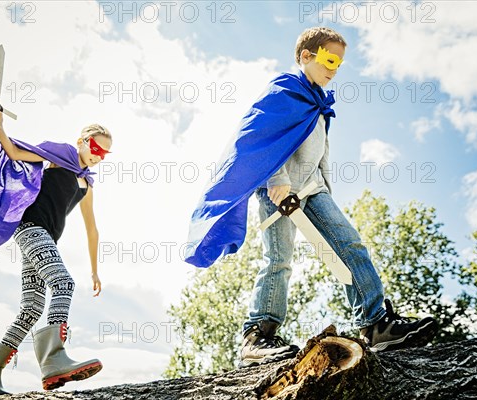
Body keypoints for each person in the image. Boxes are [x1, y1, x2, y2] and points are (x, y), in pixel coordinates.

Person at [184, 27, 438, 368]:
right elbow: (260, 138)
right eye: (329, 59)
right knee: (279, 260)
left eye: (340, 63)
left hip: (314, 189)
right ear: (306, 56)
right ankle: (258, 336)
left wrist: (327, 196)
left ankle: (376, 324)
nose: (334, 68)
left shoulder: (319, 103)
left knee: (350, 245)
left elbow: (320, 155)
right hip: (280, 189)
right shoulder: (283, 90)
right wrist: (276, 180)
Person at [0, 107, 113, 396]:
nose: (98, 155)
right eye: (95, 147)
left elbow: (92, 229)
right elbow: (16, 153)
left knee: (31, 309)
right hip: (31, 228)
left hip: (45, 238)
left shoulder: (87, 182)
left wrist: (95, 270)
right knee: (63, 283)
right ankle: (53, 360)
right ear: (82, 141)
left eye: (105, 154)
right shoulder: (61, 157)